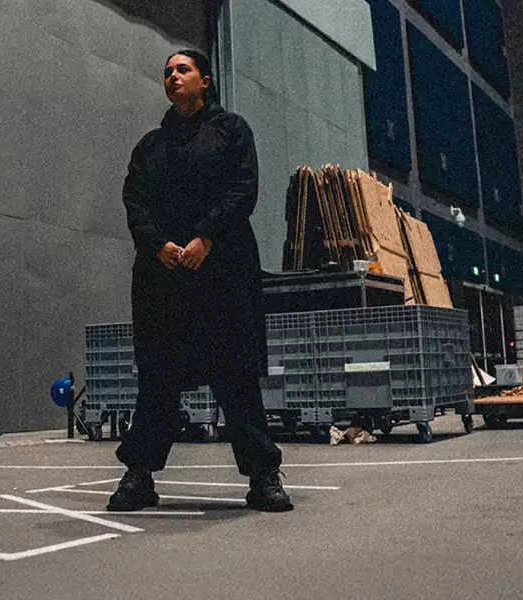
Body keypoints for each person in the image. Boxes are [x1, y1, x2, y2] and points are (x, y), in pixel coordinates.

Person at [107, 49, 292, 513]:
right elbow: (135, 202)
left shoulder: (232, 131)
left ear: (204, 80)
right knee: (157, 378)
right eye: (167, 72)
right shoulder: (150, 146)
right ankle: (139, 475)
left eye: (182, 69)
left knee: (236, 377)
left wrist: (205, 236)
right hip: (162, 278)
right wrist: (158, 245)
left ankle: (263, 477)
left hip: (223, 273)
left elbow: (243, 188)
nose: (173, 76)